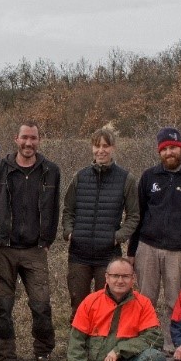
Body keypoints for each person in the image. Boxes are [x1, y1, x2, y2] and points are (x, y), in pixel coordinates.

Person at [0, 120, 61, 361]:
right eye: (24, 137)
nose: (29, 143)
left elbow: (54, 209)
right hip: (3, 248)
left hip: (35, 250)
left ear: (39, 140)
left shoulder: (51, 170)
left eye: (34, 138)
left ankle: (43, 353)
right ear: (16, 139)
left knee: (41, 305)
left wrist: (47, 240)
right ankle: (7, 356)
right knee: (3, 306)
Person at [128, 126, 181, 353]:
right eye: (165, 149)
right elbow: (138, 216)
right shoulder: (149, 177)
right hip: (148, 248)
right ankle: (143, 345)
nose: (169, 153)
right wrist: (131, 252)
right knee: (145, 300)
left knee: (175, 302)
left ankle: (172, 346)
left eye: (174, 148)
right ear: (159, 152)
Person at [66, 258, 165, 361]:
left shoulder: (143, 303)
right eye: (115, 276)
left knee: (153, 357)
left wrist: (120, 350)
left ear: (133, 278)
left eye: (125, 276)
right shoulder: (90, 302)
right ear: (107, 277)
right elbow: (76, 344)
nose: (120, 281)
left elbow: (155, 338)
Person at [61, 126, 140, 317]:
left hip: (108, 256)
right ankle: (78, 344)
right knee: (79, 304)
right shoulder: (80, 177)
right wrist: (69, 232)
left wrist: (117, 237)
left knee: (106, 305)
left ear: (113, 148)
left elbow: (134, 215)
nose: (101, 150)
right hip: (79, 254)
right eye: (97, 146)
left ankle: (102, 344)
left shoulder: (126, 179)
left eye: (106, 146)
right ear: (92, 148)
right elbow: (68, 210)